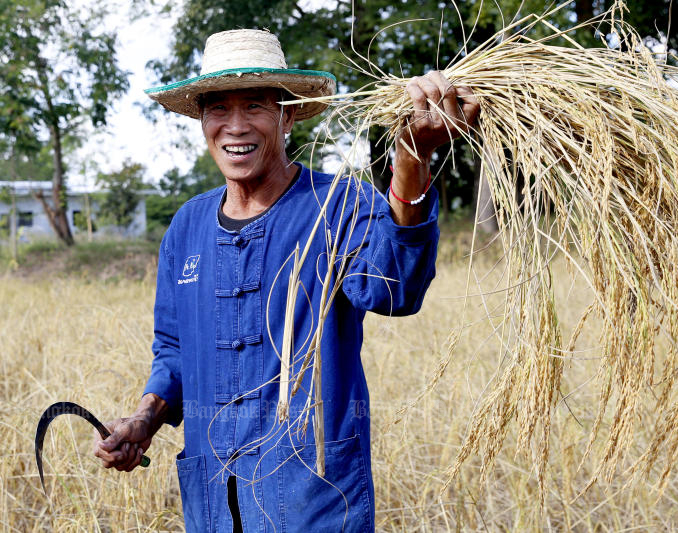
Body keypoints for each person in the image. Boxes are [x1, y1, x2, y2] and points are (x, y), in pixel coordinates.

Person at [92, 28, 478, 532]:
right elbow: (174, 351)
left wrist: (411, 155)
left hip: (311, 497)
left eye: (254, 105)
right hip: (212, 502)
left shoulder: (336, 204)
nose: (235, 126)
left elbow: (395, 288)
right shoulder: (187, 227)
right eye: (218, 109)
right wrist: (146, 418)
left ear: (288, 114)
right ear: (202, 120)